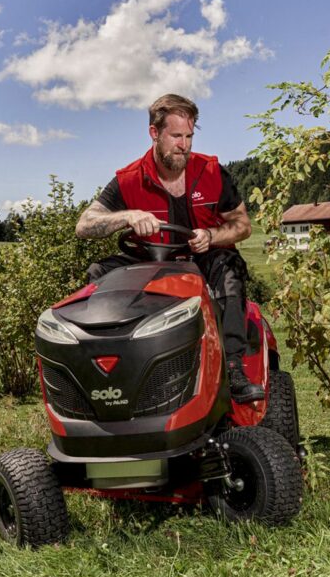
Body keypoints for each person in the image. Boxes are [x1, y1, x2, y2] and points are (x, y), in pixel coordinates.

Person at [75, 93, 264, 403]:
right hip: (150, 259)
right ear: (154, 133)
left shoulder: (213, 172)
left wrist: (212, 235)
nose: (184, 145)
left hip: (203, 258)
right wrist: (128, 216)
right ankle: (109, 370)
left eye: (189, 136)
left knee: (229, 268)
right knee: (99, 272)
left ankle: (233, 368)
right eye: (176, 136)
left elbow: (243, 225)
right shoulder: (129, 179)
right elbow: (84, 225)